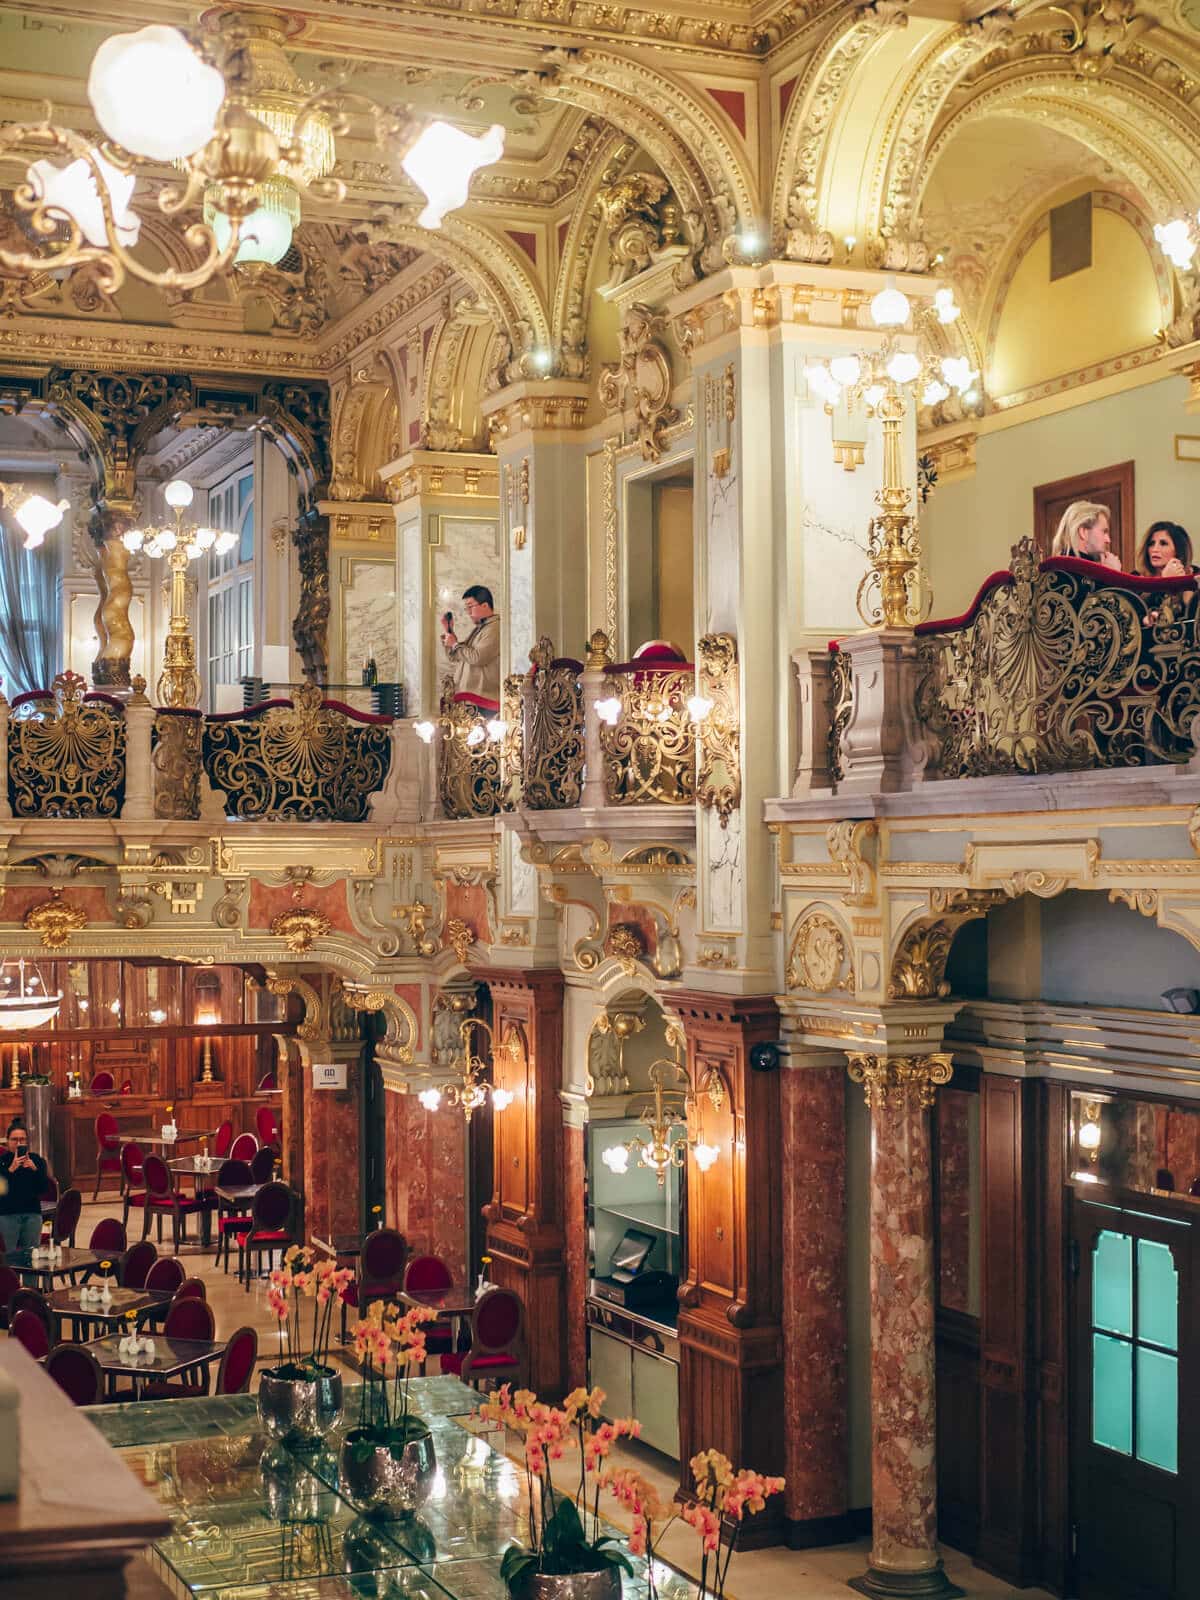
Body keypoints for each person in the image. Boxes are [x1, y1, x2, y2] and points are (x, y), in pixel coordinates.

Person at [441, 584, 501, 703]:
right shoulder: (481, 628)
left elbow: (477, 657)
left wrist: (455, 644)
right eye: (466, 608)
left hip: (482, 698)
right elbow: (456, 656)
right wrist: (449, 631)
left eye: (470, 607)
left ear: (485, 605)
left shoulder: (495, 628)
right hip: (468, 696)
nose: (468, 612)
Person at [0, 1117, 48, 1251]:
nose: (18, 1143)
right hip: (7, 1214)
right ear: (7, 1141)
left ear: (27, 1141)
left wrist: (35, 1170)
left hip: (32, 1213)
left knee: (31, 1258)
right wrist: (11, 1169)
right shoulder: (1, 1162)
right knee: (8, 1258)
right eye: (14, 1139)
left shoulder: (37, 1160)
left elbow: (43, 1188)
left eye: (22, 1139)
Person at [1051, 500, 1122, 569]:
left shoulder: (1058, 567)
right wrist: (1111, 573)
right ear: (1083, 532)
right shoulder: (1073, 572)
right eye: (1104, 532)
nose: (1108, 540)